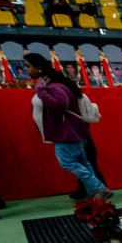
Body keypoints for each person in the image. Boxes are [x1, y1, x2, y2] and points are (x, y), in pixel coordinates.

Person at [25, 53, 112, 200]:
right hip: (73, 131)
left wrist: (41, 92)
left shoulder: (52, 86)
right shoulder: (54, 84)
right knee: (82, 162)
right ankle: (94, 191)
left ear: (39, 68)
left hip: (67, 133)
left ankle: (99, 188)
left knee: (68, 162)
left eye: (28, 66)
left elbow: (60, 104)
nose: (27, 70)